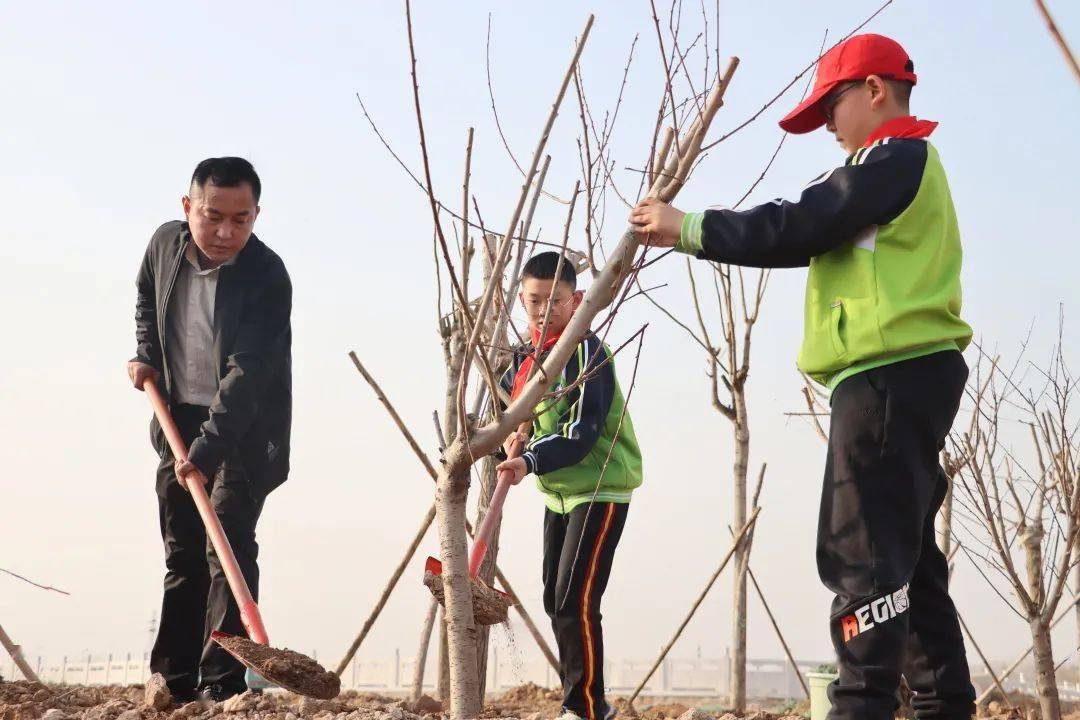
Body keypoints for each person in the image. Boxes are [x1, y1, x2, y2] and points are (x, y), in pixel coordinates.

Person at [630, 34, 975, 720]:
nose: (827, 127)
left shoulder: (892, 156)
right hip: (906, 376)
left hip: (886, 376)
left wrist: (689, 227)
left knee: (863, 553)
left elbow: (803, 222)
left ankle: (860, 705)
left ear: (874, 90)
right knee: (907, 559)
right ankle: (942, 704)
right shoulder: (899, 168)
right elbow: (812, 230)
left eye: (831, 106)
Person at [128, 157, 292, 703]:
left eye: (241, 220)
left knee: (227, 541)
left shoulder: (267, 276)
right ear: (187, 208)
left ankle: (224, 686)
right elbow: (146, 300)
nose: (226, 233)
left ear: (256, 215)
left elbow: (248, 372)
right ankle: (172, 681)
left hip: (245, 427)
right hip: (179, 418)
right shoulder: (163, 246)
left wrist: (208, 449)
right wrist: (146, 354)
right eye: (212, 216)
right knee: (183, 550)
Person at [495, 252, 643, 720]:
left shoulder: (586, 352)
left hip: (600, 486)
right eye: (534, 300)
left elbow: (582, 432)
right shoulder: (522, 361)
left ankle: (583, 708)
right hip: (559, 495)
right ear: (521, 300)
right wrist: (503, 446)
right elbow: (503, 421)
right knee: (553, 598)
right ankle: (587, 702)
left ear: (576, 300)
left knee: (575, 596)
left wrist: (529, 460)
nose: (543, 310)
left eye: (554, 301)